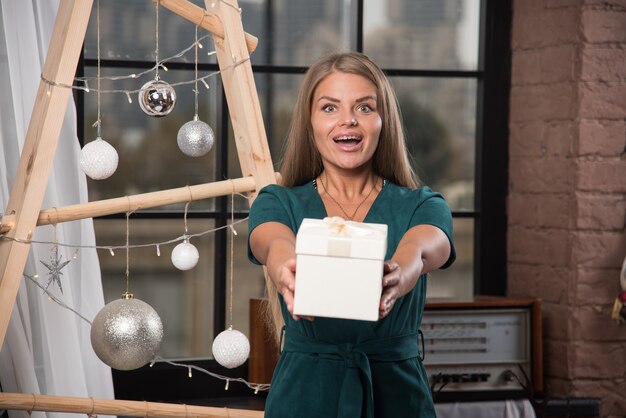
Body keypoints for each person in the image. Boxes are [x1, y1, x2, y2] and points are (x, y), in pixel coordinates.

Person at [247, 51, 456, 418]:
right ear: (309, 122)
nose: (348, 120)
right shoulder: (277, 201)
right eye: (330, 108)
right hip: (303, 396)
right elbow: (273, 243)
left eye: (363, 108)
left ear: (382, 121)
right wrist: (285, 270)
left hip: (398, 397)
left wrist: (399, 275)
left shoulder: (423, 204)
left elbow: (422, 249)